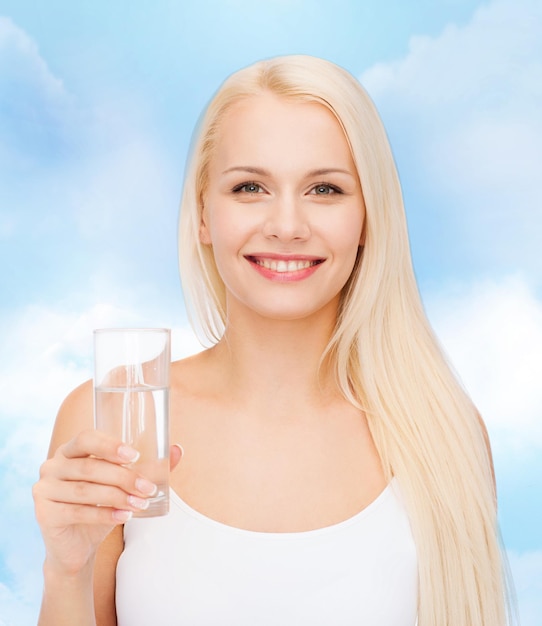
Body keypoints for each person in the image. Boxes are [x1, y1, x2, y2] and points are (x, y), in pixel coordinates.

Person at [33, 55, 512, 625]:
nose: (287, 225)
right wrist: (67, 570)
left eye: (325, 189)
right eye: (250, 186)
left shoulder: (443, 436)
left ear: (369, 219)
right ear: (203, 217)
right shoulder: (114, 417)